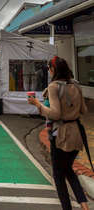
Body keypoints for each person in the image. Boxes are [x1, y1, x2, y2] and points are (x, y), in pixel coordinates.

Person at [28, 56, 89, 210]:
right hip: (76, 135)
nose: (48, 71)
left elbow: (54, 114)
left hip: (60, 136)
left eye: (49, 68)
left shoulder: (54, 87)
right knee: (68, 169)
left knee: (58, 175)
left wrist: (37, 104)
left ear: (53, 70)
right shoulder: (76, 85)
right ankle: (84, 205)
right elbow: (84, 110)